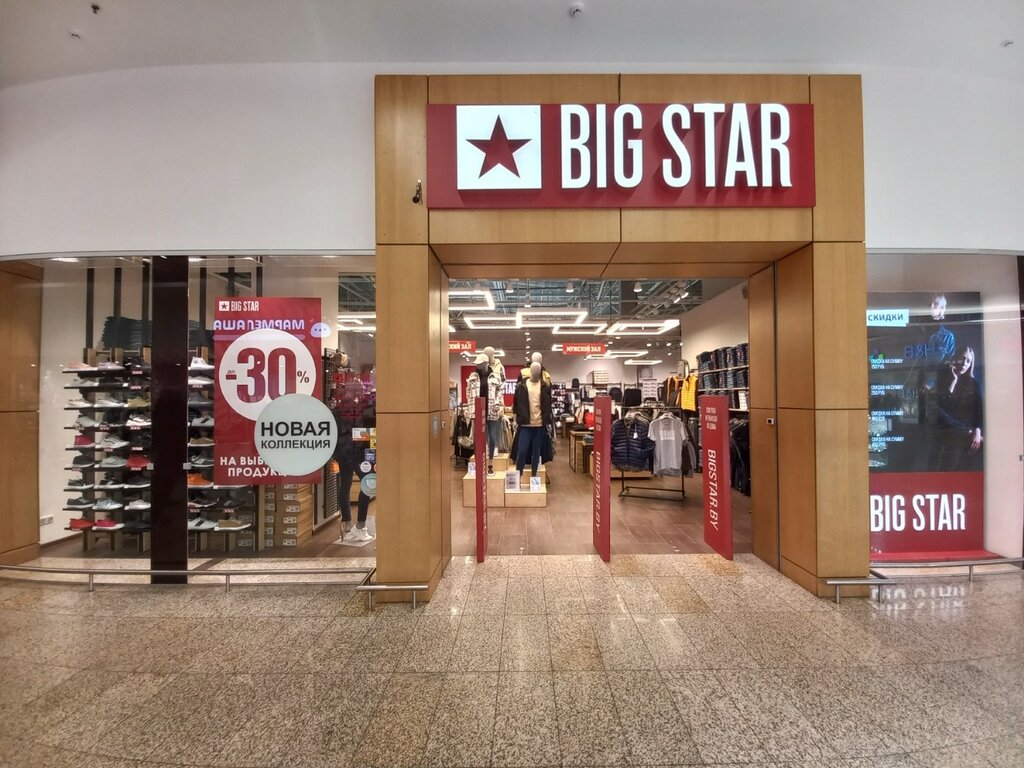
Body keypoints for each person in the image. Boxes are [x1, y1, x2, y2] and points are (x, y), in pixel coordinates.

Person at [933, 345, 983, 471]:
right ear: (955, 358)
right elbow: (942, 407)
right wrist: (954, 380)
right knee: (948, 470)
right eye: (963, 359)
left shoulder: (974, 383)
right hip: (951, 435)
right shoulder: (943, 378)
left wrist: (977, 431)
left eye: (968, 361)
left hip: (970, 436)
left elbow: (979, 411)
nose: (965, 364)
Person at [513, 362, 552, 476]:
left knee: (536, 451)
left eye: (537, 371)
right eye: (534, 371)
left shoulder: (545, 386)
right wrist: (515, 420)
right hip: (525, 424)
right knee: (522, 450)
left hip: (539, 425)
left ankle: (534, 475)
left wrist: (548, 422)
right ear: (530, 371)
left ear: (540, 372)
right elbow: (515, 405)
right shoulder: (521, 386)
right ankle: (518, 475)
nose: (535, 373)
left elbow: (547, 406)